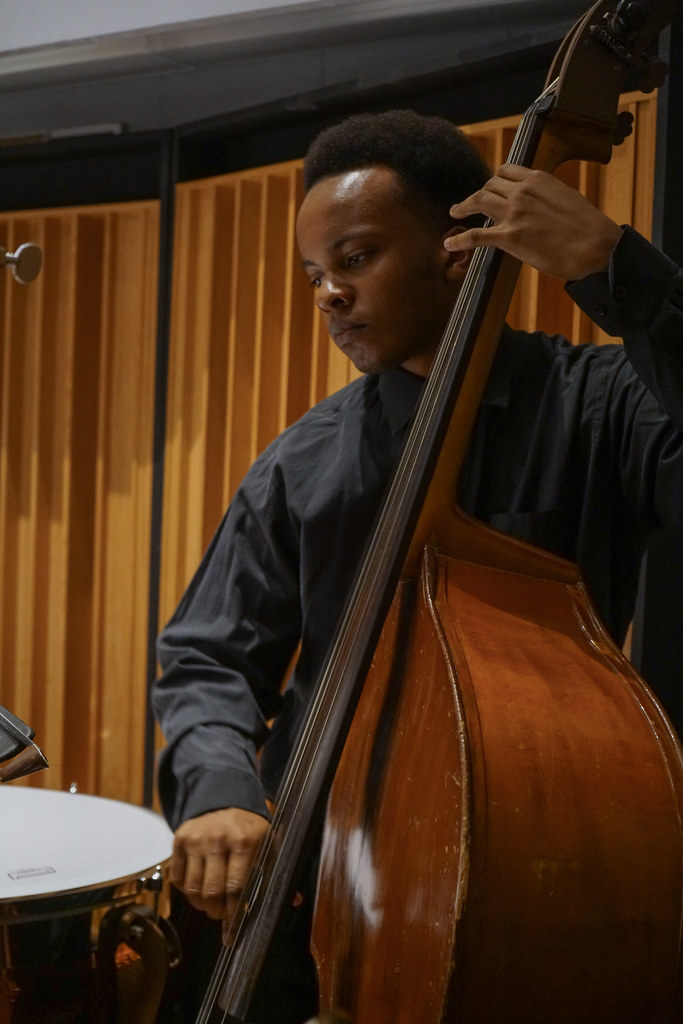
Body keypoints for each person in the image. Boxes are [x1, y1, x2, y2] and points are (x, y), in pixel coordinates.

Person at [152, 109, 683, 1022]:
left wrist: (618, 273)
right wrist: (220, 791)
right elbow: (208, 656)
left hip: (527, 875)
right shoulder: (302, 461)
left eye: (354, 260)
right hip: (314, 877)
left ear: (458, 244)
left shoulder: (601, 409)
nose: (327, 295)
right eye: (315, 275)